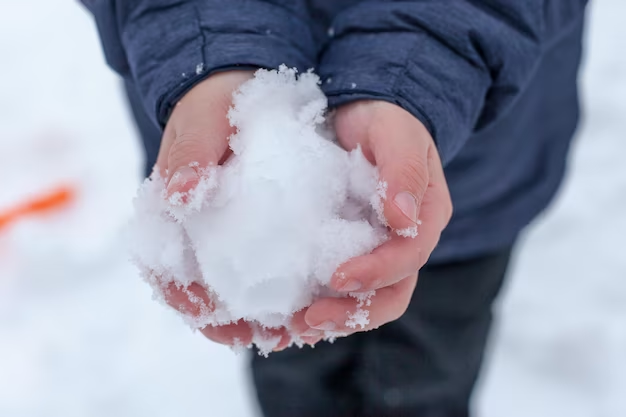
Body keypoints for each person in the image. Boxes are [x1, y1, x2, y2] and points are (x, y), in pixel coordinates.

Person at [81, 1, 590, 416]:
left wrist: (425, 63)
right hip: (219, 146)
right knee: (291, 362)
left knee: (434, 360)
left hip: (471, 171)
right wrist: (209, 46)